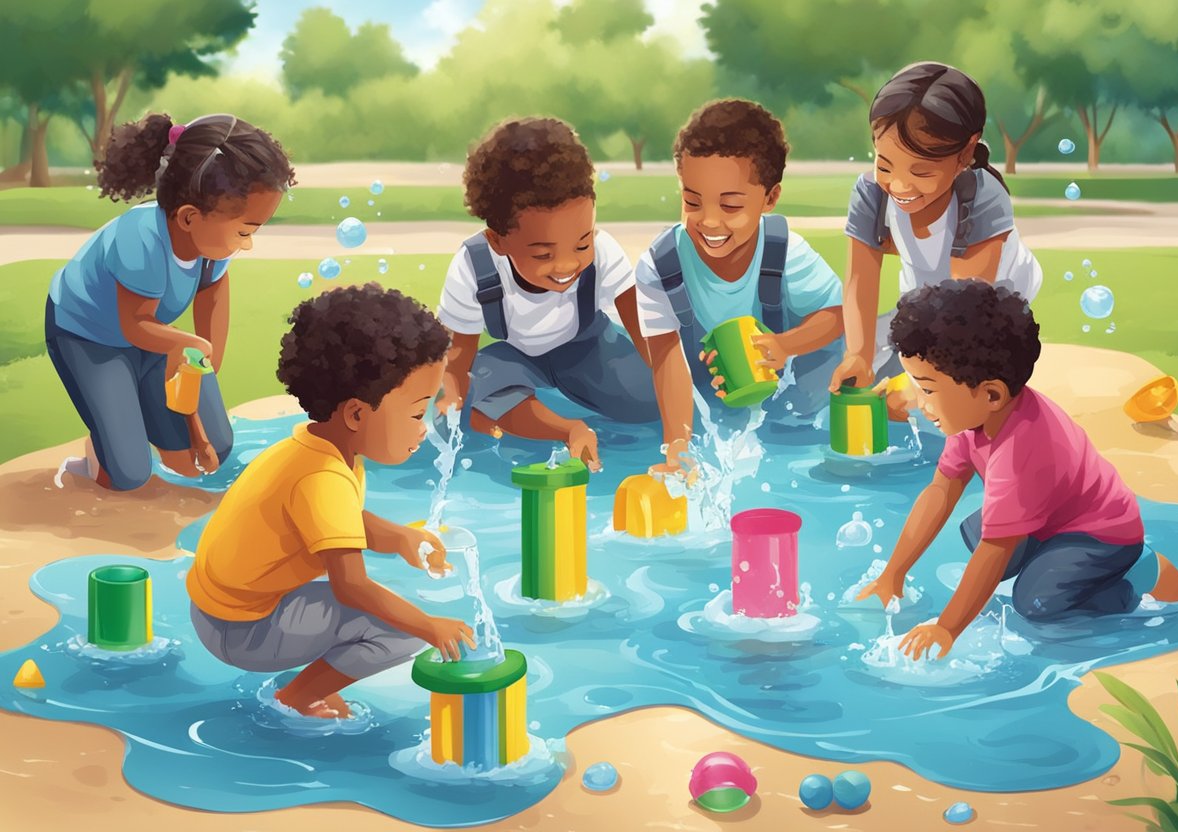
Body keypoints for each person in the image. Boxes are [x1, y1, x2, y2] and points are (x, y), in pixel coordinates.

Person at [857, 280, 1178, 660]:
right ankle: (1057, 563)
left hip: (1101, 535)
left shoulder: (1023, 447)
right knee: (977, 528)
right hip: (1050, 518)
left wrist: (946, 626)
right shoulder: (974, 417)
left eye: (928, 391)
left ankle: (1142, 571)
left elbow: (995, 550)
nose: (919, 405)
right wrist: (893, 574)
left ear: (992, 393)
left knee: (1035, 602)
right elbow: (940, 492)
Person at [188, 284, 476, 718]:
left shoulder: (317, 449)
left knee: (390, 614)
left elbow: (336, 521)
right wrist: (431, 626)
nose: (425, 428)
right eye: (417, 413)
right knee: (401, 635)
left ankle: (305, 684)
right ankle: (297, 698)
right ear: (358, 414)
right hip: (242, 632)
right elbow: (352, 587)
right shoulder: (324, 477)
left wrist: (398, 538)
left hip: (219, 611)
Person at [48, 112, 294, 490]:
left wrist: (205, 364)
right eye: (245, 231)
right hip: (88, 336)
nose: (247, 243)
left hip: (155, 335)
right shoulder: (140, 239)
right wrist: (188, 344)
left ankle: (135, 419)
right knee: (128, 475)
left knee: (212, 453)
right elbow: (135, 323)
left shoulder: (215, 238)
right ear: (189, 217)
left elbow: (212, 290)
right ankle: (101, 450)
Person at [634, 99, 844, 476]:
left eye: (730, 206)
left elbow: (835, 316)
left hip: (789, 377)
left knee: (793, 430)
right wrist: (678, 446)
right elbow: (667, 362)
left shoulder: (785, 251)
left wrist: (784, 346)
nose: (709, 221)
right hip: (712, 380)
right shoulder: (660, 265)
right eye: (691, 201)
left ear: (770, 198)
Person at [435, 117, 658, 471]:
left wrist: (669, 381)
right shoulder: (473, 266)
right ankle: (565, 428)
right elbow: (458, 354)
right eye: (543, 254)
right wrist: (454, 399)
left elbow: (647, 334)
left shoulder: (604, 252)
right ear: (499, 241)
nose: (567, 265)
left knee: (652, 397)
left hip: (588, 349)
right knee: (477, 387)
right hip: (515, 358)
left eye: (582, 243)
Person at [831, 62, 1043, 420]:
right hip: (923, 297)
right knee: (858, 376)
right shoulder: (870, 192)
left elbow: (965, 310)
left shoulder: (981, 197)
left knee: (958, 401)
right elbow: (860, 280)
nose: (899, 186)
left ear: (964, 154)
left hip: (991, 303)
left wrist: (916, 389)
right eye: (885, 166)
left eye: (921, 171)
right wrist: (859, 355)